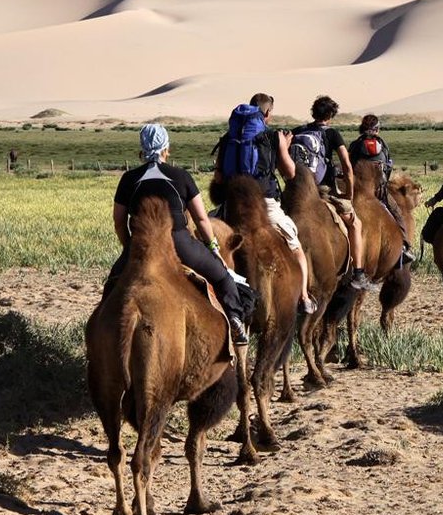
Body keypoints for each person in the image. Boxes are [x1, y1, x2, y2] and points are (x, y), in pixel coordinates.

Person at [108, 123, 249, 345]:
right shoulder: (181, 176)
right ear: (166, 149)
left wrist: (130, 247)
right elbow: (201, 219)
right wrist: (213, 249)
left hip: (142, 244)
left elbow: (119, 221)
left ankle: (104, 329)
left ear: (142, 150)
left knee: (111, 284)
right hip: (179, 242)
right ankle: (235, 320)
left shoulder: (128, 178)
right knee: (223, 277)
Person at [224, 93, 316, 314]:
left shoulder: (230, 137)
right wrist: (284, 145)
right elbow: (290, 173)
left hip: (232, 204)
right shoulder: (273, 136)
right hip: (264, 204)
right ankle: (304, 297)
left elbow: (219, 175)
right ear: (266, 112)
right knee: (295, 246)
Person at [292, 95, 378, 291]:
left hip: (296, 193)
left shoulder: (298, 131)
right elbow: (346, 165)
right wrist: (349, 193)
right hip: (322, 191)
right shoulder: (332, 134)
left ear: (313, 112)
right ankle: (358, 273)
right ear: (330, 115)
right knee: (355, 223)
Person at [347, 114, 416, 264]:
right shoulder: (383, 145)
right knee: (397, 212)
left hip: (357, 191)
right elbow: (388, 167)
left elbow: (349, 166)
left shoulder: (355, 145)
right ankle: (405, 247)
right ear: (377, 129)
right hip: (379, 191)